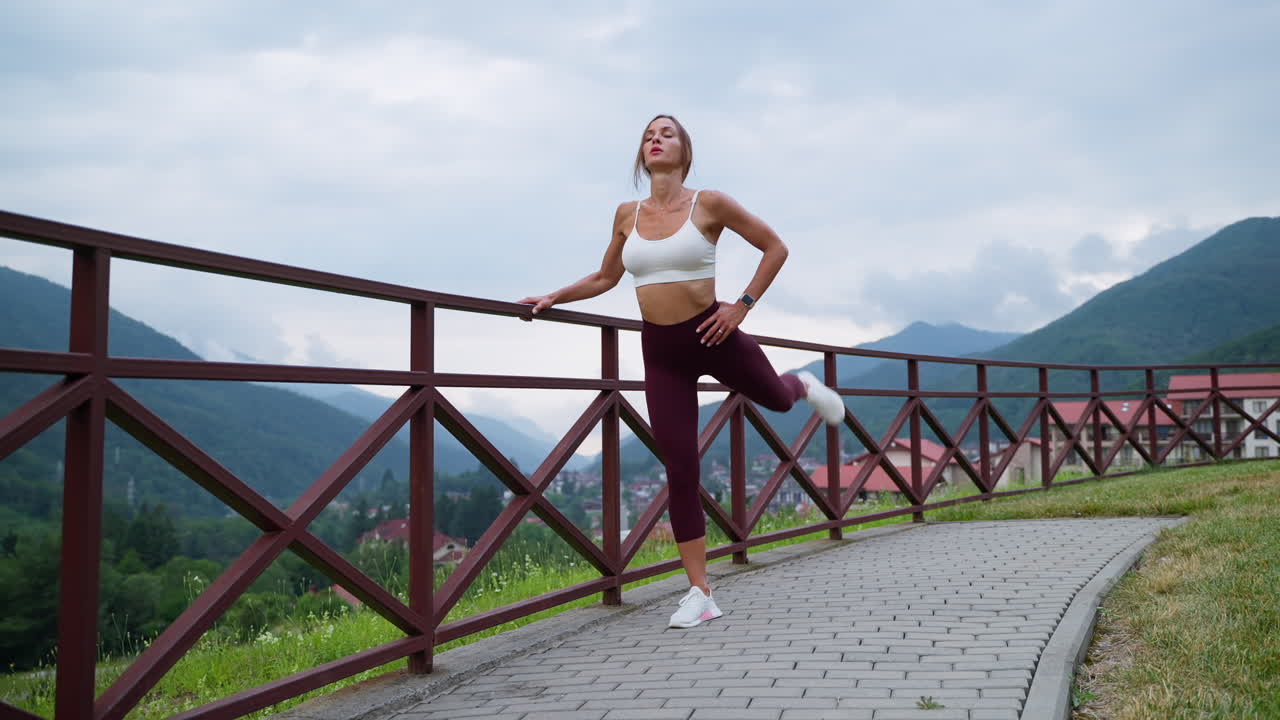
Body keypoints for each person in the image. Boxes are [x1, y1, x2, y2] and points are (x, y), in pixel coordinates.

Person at [518, 114, 844, 629]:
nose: (655, 139)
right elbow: (607, 276)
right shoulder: (627, 214)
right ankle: (700, 593)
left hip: (714, 335)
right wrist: (554, 295)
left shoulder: (708, 203)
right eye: (648, 135)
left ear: (684, 152)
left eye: (666, 133)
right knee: (680, 468)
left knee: (778, 401)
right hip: (661, 352)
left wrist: (741, 307)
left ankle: (802, 385)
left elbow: (775, 247)